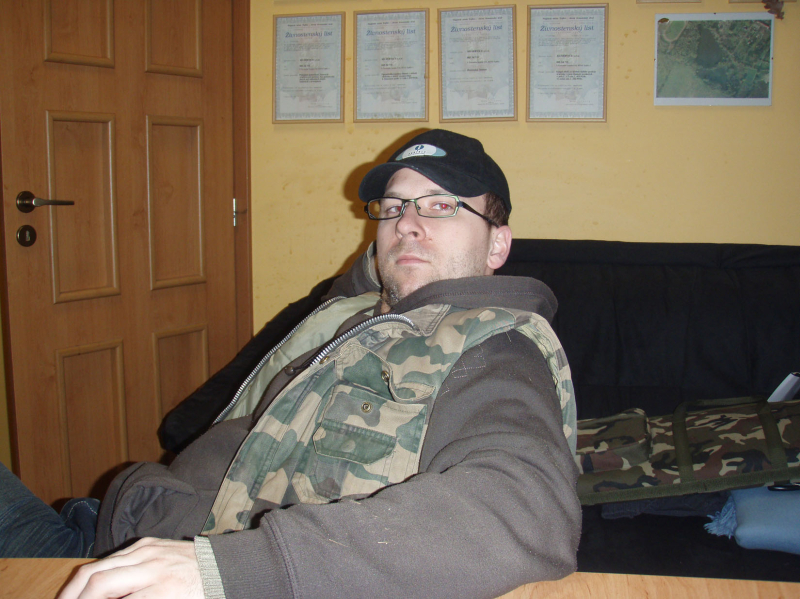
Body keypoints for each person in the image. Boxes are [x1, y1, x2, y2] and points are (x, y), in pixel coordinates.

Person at [2, 129, 580, 598]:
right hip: (123, 530)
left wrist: (231, 572)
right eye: (394, 207)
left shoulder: (494, 348)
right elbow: (376, 267)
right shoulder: (360, 309)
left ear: (498, 245)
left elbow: (525, 509)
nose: (408, 223)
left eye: (441, 206)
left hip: (185, 574)